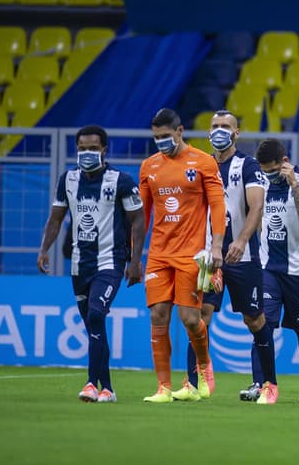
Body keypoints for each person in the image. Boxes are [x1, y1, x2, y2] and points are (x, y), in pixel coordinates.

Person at [36, 125, 145, 402]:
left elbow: (138, 220)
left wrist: (135, 261)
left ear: (104, 150)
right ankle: (106, 388)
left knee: (96, 314)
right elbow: (56, 218)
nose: (87, 153)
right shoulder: (68, 180)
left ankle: (89, 384)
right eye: (82, 148)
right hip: (79, 264)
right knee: (93, 325)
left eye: (93, 148)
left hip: (110, 261)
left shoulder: (121, 181)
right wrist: (44, 249)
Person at [138, 108, 225, 403]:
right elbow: (142, 216)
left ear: (180, 131)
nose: (161, 141)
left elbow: (217, 207)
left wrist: (216, 246)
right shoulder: (149, 167)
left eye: (166, 136)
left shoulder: (203, 162)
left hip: (191, 254)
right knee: (158, 315)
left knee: (190, 319)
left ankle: (203, 367)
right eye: (156, 137)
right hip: (159, 254)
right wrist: (134, 255)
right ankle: (163, 387)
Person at [193, 111, 276, 404]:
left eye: (225, 127)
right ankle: (195, 382)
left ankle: (269, 384)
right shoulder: (199, 166)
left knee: (253, 319)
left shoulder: (248, 165)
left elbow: (257, 207)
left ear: (236, 133)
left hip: (242, 255)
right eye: (215, 126)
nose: (219, 131)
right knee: (199, 316)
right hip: (208, 256)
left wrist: (241, 240)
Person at [254, 138, 299, 405]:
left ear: (284, 163)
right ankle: (267, 385)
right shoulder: (260, 183)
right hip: (268, 268)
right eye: (263, 171)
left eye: (271, 170)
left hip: (298, 270)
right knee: (263, 325)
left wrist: (293, 184)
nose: (267, 176)